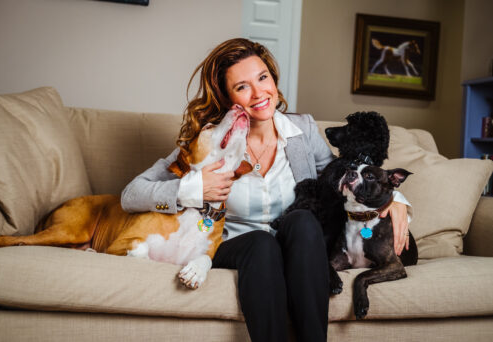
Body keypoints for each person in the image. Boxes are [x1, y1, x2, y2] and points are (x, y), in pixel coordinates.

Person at [121, 38, 411, 342]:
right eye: (242, 86)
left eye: (263, 78)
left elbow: (342, 176)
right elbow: (131, 195)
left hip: (297, 246)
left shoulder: (302, 131)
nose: (259, 93)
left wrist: (397, 199)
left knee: (303, 220)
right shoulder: (210, 141)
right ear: (227, 97)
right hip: (236, 247)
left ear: (273, 79)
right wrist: (192, 187)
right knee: (261, 243)